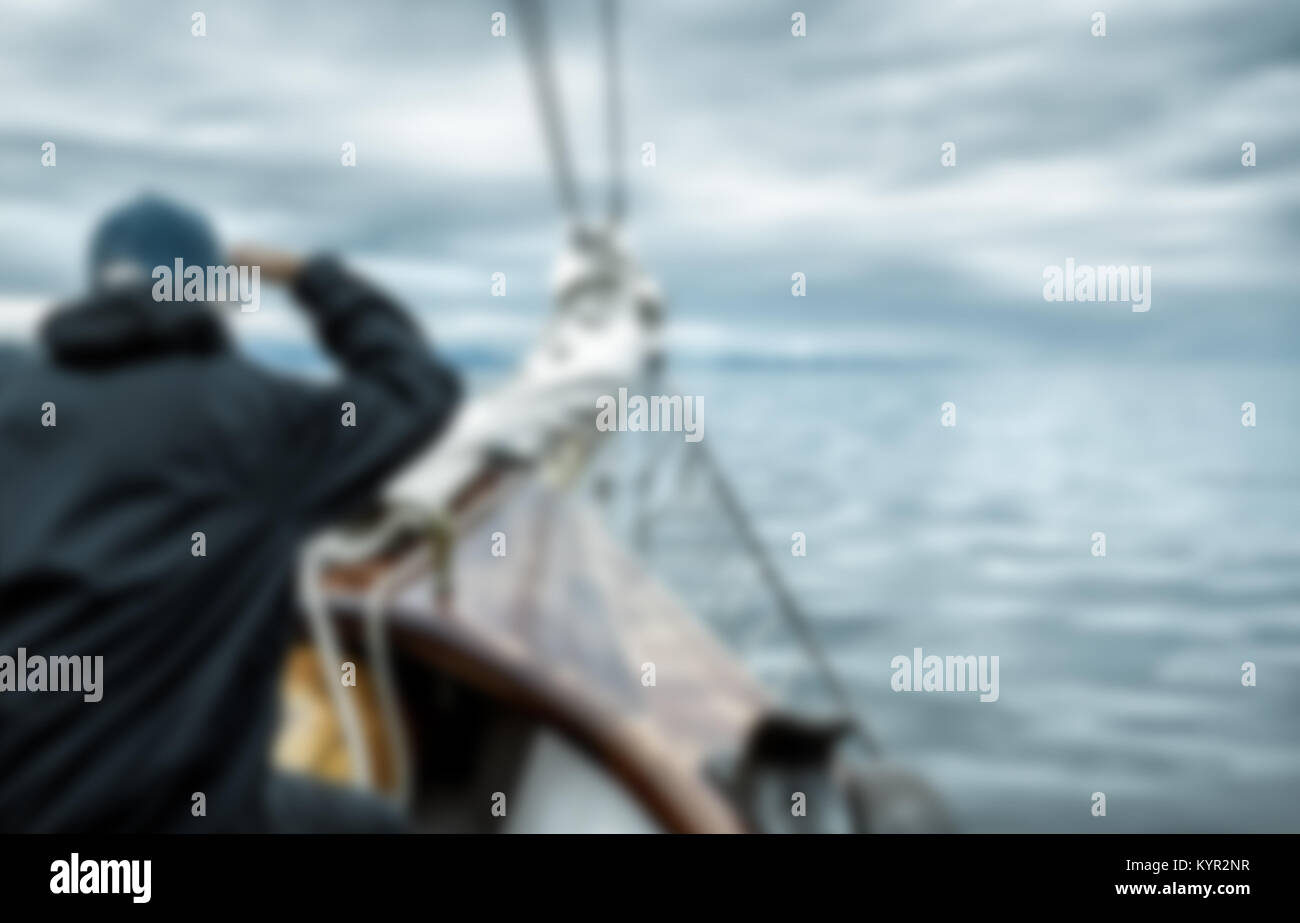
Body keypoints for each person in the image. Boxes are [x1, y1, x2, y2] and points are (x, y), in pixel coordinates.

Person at [0, 195, 461, 832]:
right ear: (210, 293)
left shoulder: (15, 392)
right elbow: (418, 384)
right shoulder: (263, 422)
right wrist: (308, 277)